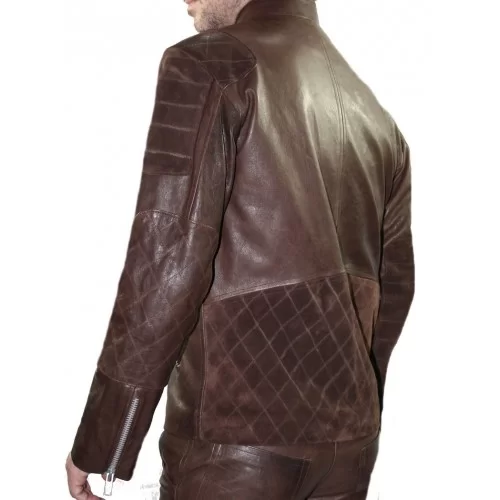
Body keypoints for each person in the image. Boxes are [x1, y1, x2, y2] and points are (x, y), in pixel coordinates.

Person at [65, 0, 415, 498]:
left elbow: (167, 258)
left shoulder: (210, 63)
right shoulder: (377, 119)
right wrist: (352, 408)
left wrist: (104, 441)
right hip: (349, 451)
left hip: (233, 446)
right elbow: (394, 287)